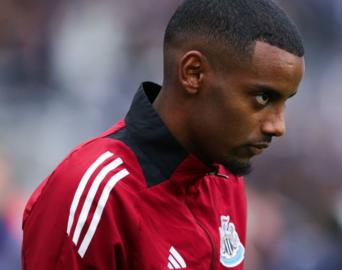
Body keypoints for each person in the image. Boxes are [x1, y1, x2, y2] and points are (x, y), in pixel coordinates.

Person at [22, 0, 305, 269]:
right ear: (193, 73)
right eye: (263, 98)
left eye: (285, 101)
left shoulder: (226, 178)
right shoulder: (95, 193)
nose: (278, 126)